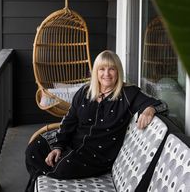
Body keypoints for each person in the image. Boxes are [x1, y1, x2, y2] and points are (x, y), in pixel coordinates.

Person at [25, 50, 168, 191]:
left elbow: (161, 104)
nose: (106, 74)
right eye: (102, 69)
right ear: (96, 72)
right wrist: (58, 147)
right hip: (72, 144)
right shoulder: (85, 91)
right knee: (34, 149)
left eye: (112, 69)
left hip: (97, 156)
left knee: (63, 167)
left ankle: (34, 184)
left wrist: (150, 110)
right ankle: (36, 181)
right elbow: (69, 121)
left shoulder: (129, 94)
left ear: (118, 71)